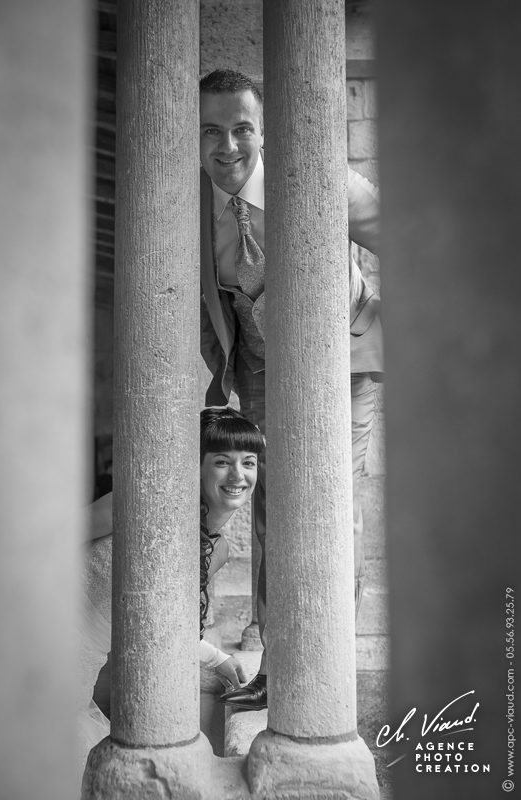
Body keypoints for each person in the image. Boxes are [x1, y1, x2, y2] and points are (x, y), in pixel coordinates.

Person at [199, 68, 382, 710]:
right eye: (211, 131)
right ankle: (278, 665)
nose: (228, 147)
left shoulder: (317, 175)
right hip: (259, 366)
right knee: (270, 509)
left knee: (332, 509)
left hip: (344, 359)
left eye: (241, 128)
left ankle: (328, 661)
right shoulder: (190, 202)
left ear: (263, 130)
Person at [77, 407, 264, 763]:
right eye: (223, 461)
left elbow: (159, 628)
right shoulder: (132, 503)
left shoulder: (218, 551)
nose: (238, 475)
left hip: (77, 678)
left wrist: (217, 659)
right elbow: (43, 545)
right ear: (196, 465)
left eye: (249, 462)